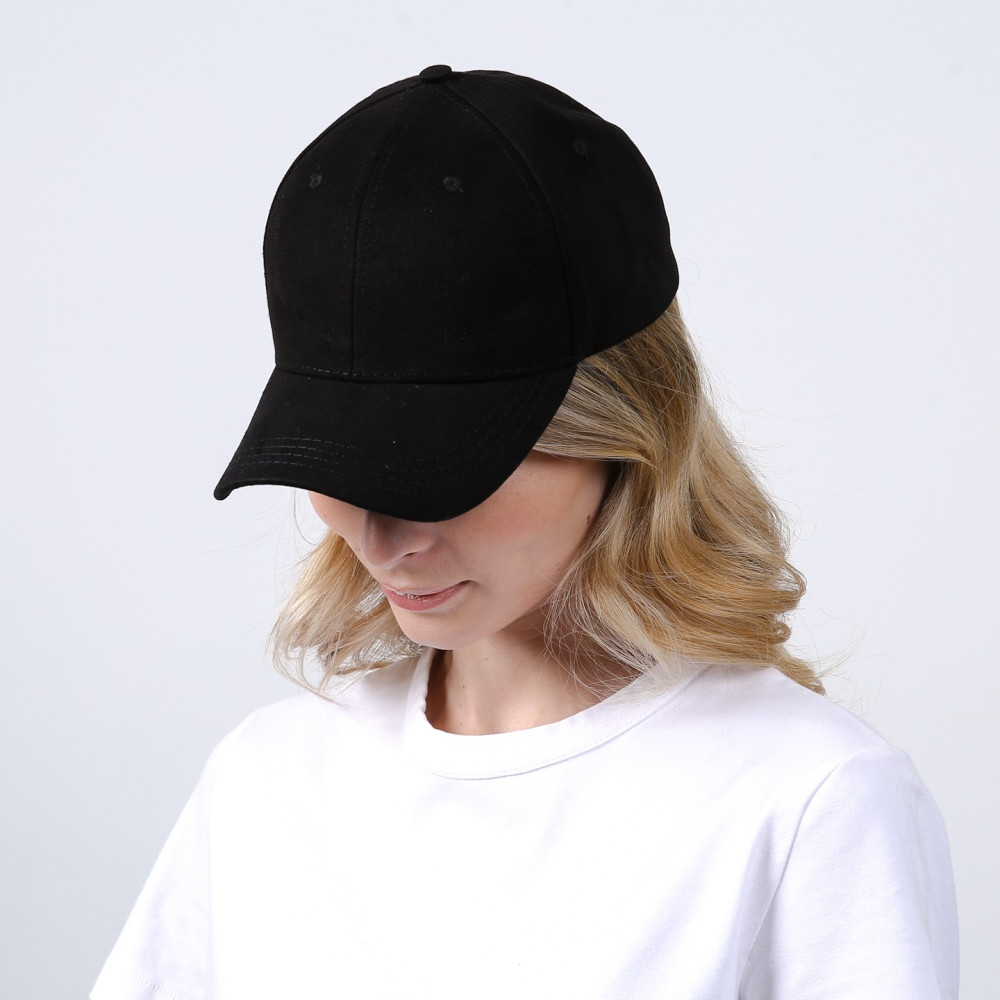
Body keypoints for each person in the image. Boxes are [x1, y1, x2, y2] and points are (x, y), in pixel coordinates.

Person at [91, 65, 958, 1000]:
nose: (381, 540)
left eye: (437, 473)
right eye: (336, 469)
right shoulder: (267, 780)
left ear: (625, 432)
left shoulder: (806, 800)